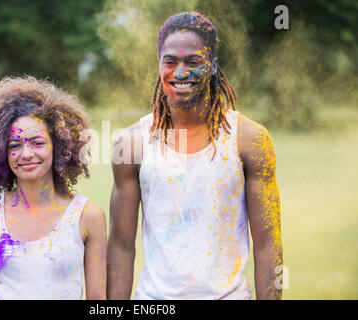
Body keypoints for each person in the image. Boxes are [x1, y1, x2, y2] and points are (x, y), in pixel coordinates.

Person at [107, 12, 283, 300]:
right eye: (170, 62)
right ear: (160, 66)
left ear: (212, 66)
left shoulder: (250, 140)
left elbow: (268, 244)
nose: (180, 72)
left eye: (193, 62)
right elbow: (121, 245)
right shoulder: (132, 143)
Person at [0, 76, 107, 300]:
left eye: (37, 143)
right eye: (15, 145)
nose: (26, 153)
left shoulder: (87, 216)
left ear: (59, 146)